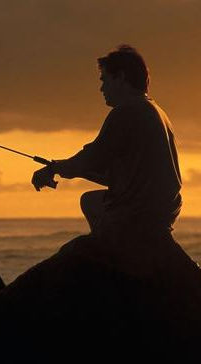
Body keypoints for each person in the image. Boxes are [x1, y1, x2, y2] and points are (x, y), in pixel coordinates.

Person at [31, 45, 182, 235]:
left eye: (105, 80)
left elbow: (92, 158)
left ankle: (108, 249)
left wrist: (54, 168)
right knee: (90, 201)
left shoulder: (127, 111)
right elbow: (110, 172)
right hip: (162, 210)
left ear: (121, 77)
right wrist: (64, 170)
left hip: (140, 212)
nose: (101, 88)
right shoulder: (154, 111)